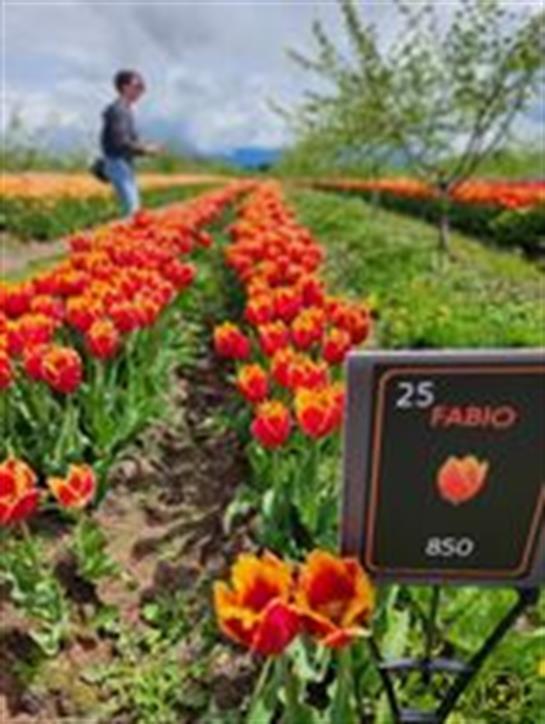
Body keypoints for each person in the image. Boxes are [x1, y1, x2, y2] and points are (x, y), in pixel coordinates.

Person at [100, 70, 161, 216]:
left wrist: (143, 146)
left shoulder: (123, 109)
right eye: (138, 85)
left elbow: (122, 140)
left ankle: (124, 236)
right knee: (133, 210)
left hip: (120, 162)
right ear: (125, 87)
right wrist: (146, 149)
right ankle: (123, 238)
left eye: (143, 87)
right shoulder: (119, 110)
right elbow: (120, 142)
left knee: (132, 207)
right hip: (117, 162)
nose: (141, 90)